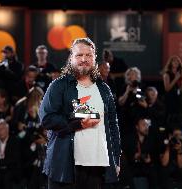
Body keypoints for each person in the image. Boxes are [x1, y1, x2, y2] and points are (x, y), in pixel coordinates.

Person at [39, 38, 121, 189]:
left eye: (88, 55)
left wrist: (116, 159)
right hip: (65, 166)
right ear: (71, 58)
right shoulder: (59, 85)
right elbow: (47, 118)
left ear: (94, 58)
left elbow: (113, 127)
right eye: (79, 55)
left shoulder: (104, 89)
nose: (84, 59)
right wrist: (78, 124)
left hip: (98, 166)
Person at [162, 55, 182, 126]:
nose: (176, 62)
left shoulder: (180, 73)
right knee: (169, 118)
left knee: (178, 117)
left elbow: (181, 89)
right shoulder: (167, 74)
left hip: (177, 98)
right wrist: (176, 78)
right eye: (174, 61)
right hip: (169, 99)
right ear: (170, 63)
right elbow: (167, 89)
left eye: (177, 61)